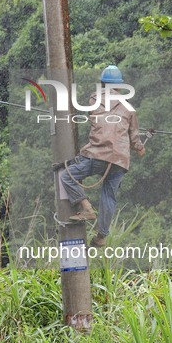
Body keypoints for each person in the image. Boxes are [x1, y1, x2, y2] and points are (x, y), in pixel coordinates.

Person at [60, 65, 145, 248]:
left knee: (66, 175)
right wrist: (139, 148)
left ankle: (87, 207)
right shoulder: (129, 107)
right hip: (120, 159)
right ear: (120, 85)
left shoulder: (94, 99)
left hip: (98, 154)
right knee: (109, 196)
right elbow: (134, 136)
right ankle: (102, 236)